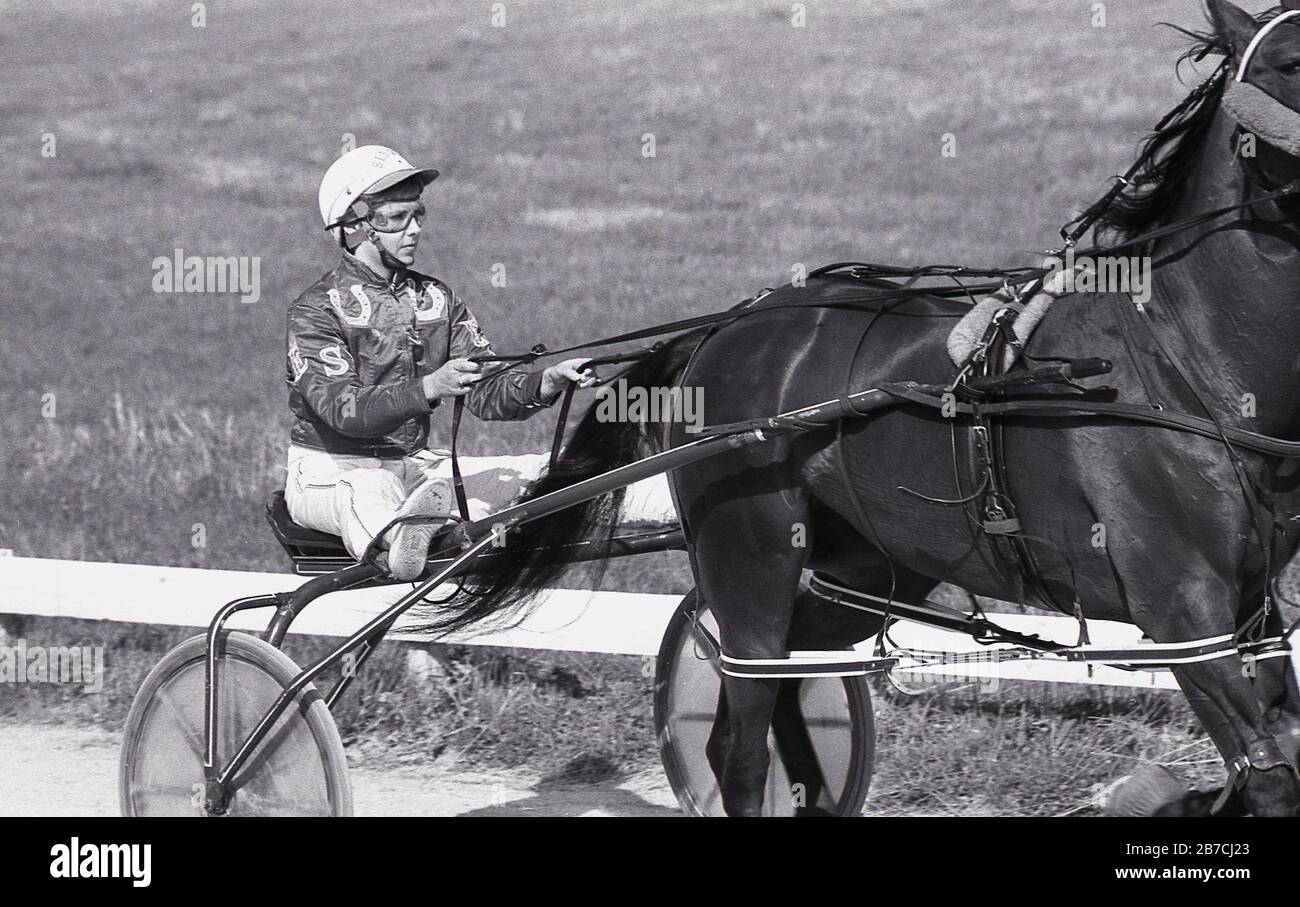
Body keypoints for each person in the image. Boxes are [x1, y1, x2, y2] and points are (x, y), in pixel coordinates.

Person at [284, 145, 595, 580]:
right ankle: (403, 539)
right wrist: (429, 387)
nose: (414, 229)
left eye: (418, 214)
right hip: (331, 470)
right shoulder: (316, 310)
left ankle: (666, 500)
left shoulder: (436, 299)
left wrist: (547, 382)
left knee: (547, 469)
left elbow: (486, 391)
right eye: (396, 218)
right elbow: (343, 411)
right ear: (354, 225)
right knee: (369, 488)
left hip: (418, 469)